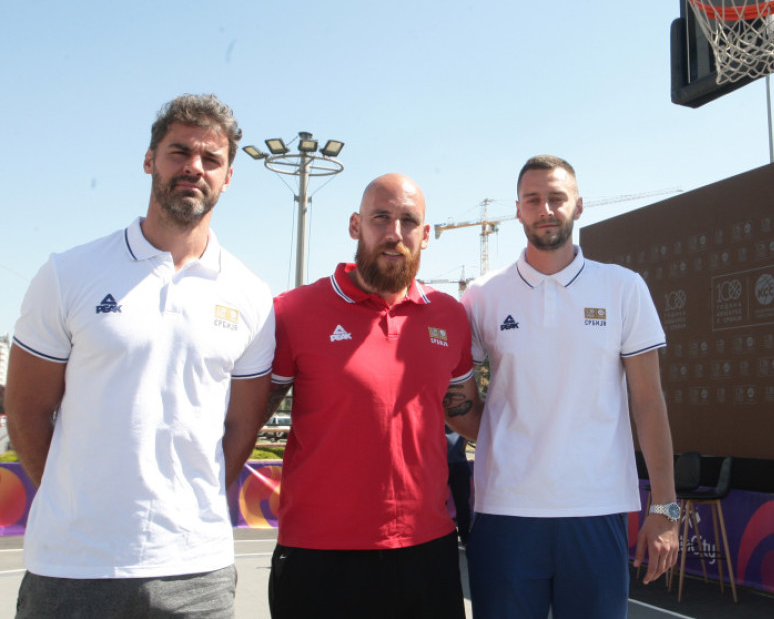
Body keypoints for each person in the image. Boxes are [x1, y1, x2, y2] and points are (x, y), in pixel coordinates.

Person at [6, 94, 276, 619]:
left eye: (211, 159)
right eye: (179, 152)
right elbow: (26, 412)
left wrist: (188, 504)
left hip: (197, 571)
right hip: (72, 567)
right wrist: (73, 502)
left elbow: (243, 425)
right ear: (149, 159)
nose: (194, 168)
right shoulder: (69, 273)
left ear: (228, 177)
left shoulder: (252, 296)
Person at [461, 155, 680, 619]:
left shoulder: (622, 287)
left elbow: (648, 400)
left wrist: (665, 505)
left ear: (578, 206)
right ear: (517, 210)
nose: (546, 209)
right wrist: (504, 439)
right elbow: (455, 393)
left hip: (596, 511)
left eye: (557, 198)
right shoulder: (483, 295)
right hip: (506, 513)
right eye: (533, 200)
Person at [266, 173, 483, 619]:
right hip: (319, 556)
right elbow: (246, 417)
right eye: (380, 218)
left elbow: (467, 415)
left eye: (408, 221)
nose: (394, 233)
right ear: (354, 226)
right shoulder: (292, 311)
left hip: (428, 552)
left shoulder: (450, 316)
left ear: (425, 235)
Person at [446, 425, 473, 546]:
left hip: (459, 462)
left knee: (462, 503)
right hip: (440, 462)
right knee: (439, 503)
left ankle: (465, 537)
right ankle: (445, 537)